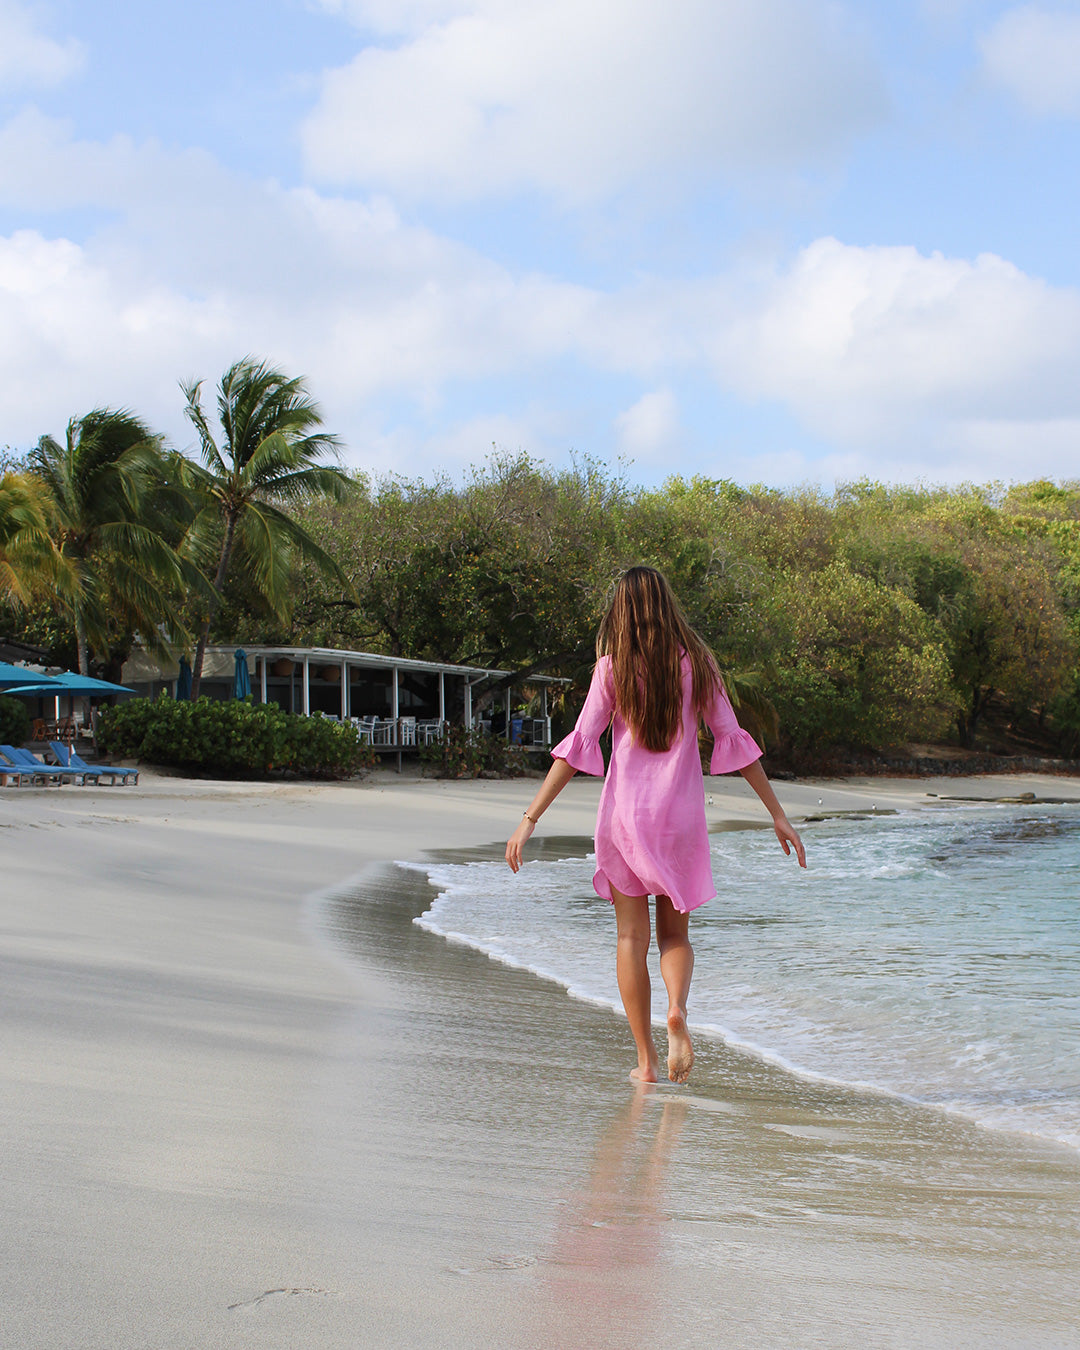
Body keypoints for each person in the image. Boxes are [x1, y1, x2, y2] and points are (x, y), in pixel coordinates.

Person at [505, 566, 806, 1086]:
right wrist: (777, 813)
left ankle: (645, 1061)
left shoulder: (612, 668)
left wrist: (529, 819)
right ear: (666, 604)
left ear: (621, 610)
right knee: (675, 937)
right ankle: (677, 1013)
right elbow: (732, 738)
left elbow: (579, 747)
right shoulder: (699, 665)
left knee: (630, 937)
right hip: (680, 820)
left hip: (626, 818)